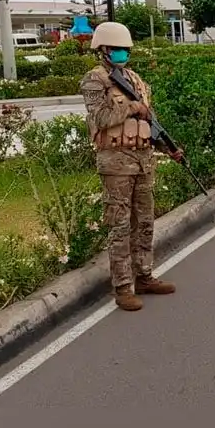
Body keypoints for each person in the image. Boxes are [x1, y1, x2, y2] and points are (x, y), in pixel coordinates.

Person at [80, 22, 180, 312]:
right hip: (116, 163)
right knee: (120, 226)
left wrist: (169, 148)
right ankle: (123, 287)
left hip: (143, 160)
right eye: (117, 49)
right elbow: (100, 118)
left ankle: (145, 275)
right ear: (103, 50)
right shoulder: (94, 80)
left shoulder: (134, 79)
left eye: (126, 49)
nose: (123, 53)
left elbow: (149, 122)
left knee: (145, 222)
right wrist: (131, 108)